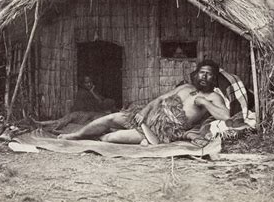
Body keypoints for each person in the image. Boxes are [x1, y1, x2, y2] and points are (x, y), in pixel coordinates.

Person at [58, 60, 230, 145]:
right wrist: (144, 112)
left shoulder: (213, 97)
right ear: (197, 74)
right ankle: (77, 135)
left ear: (214, 78)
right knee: (110, 118)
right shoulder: (185, 87)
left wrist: (204, 102)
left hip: (162, 129)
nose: (204, 76)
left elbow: (226, 115)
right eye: (202, 72)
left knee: (111, 138)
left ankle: (99, 136)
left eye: (209, 74)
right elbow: (159, 99)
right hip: (149, 116)